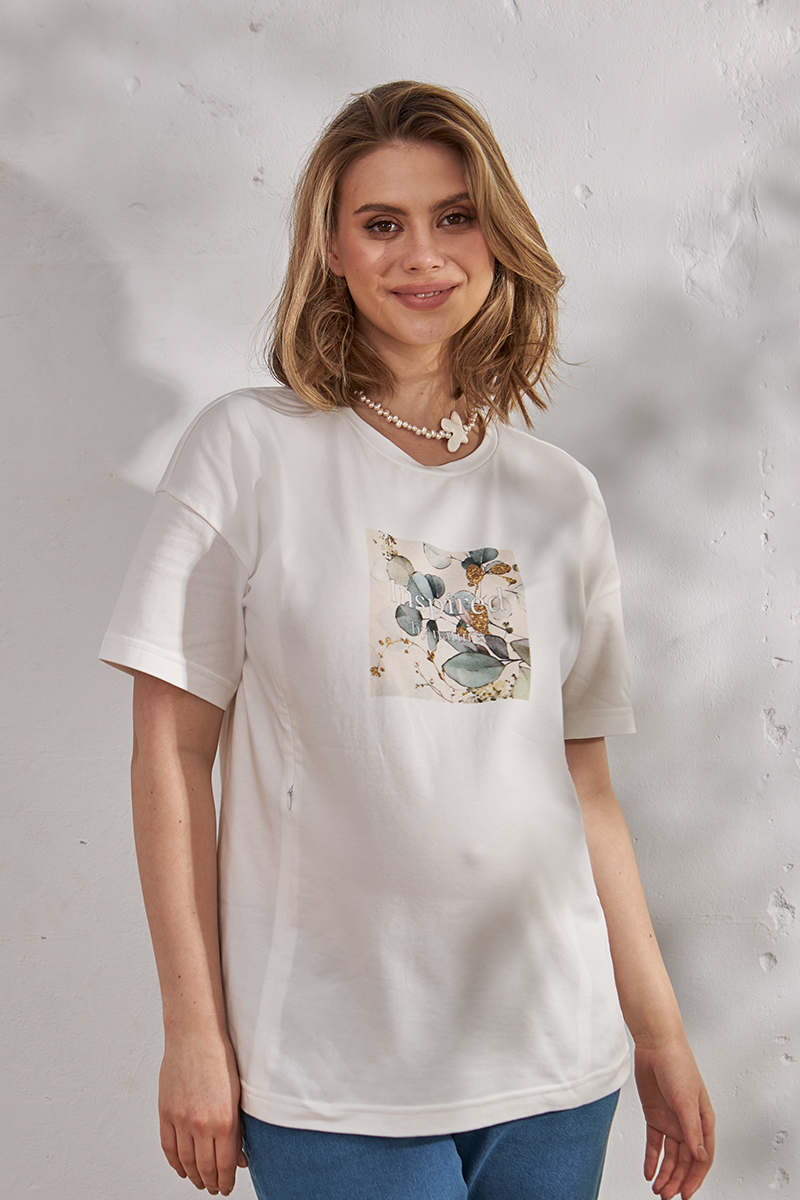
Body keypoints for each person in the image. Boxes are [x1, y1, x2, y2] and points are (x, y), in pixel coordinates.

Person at [100, 80, 714, 1200]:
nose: (421, 254)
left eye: (454, 217)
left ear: (497, 237)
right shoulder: (248, 452)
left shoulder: (558, 495)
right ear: (331, 249)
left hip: (555, 1063)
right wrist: (193, 1032)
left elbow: (585, 790)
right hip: (331, 1071)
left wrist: (657, 1032)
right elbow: (170, 757)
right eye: (381, 223)